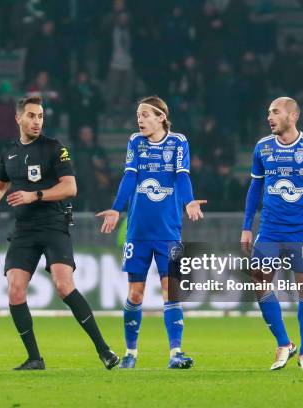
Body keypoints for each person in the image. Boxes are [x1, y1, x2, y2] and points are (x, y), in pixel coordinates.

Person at [0, 96, 119, 371]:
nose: (37, 121)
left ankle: (104, 350)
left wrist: (36, 195)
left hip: (54, 223)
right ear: (18, 119)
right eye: (31, 116)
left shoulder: (55, 148)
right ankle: (35, 358)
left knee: (63, 285)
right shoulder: (9, 152)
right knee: (15, 291)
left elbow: (70, 188)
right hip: (24, 229)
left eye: (41, 116)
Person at [96, 96, 206, 369]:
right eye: (138, 115)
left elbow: (182, 176)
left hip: (169, 231)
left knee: (172, 290)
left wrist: (188, 201)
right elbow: (130, 176)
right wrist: (116, 209)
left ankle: (175, 353)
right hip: (138, 231)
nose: (140, 120)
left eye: (145, 115)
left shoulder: (178, 142)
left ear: (161, 117)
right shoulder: (136, 142)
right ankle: (131, 353)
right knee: (136, 294)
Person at [240, 97, 303, 371]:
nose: (270, 117)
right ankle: (284, 343)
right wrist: (247, 226)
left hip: (301, 232)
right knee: (258, 281)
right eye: (268, 112)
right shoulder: (263, 148)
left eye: (276, 112)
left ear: (293, 117)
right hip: (269, 230)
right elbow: (254, 189)